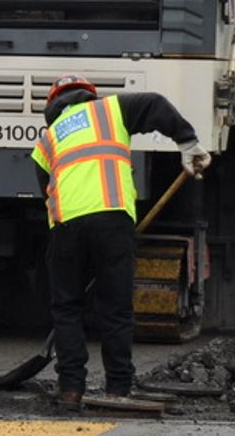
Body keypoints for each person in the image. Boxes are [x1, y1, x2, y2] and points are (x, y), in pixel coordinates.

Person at [31, 74, 212, 409]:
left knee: (67, 309)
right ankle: (118, 386)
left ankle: (70, 389)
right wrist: (187, 142)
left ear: (53, 105)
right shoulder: (109, 110)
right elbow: (156, 104)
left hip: (65, 227)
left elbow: (44, 190)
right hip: (112, 220)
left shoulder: (47, 140)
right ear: (87, 95)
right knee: (115, 308)